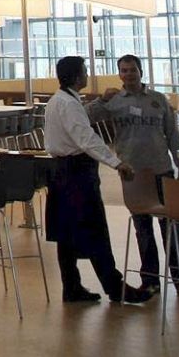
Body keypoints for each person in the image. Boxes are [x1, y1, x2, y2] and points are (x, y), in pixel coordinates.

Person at [44, 55, 151, 306]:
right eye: (85, 71)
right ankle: (115, 288)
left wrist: (101, 101)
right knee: (95, 230)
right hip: (76, 173)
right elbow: (86, 138)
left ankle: (72, 286)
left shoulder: (61, 100)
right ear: (76, 76)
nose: (87, 75)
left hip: (62, 171)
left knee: (67, 234)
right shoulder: (68, 104)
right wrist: (116, 162)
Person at [90, 54, 179, 303]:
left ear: (141, 71)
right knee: (143, 229)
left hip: (162, 170)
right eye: (124, 70)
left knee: (170, 226)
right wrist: (101, 99)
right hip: (133, 174)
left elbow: (173, 135)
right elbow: (86, 117)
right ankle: (150, 281)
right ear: (119, 74)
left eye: (133, 70)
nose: (129, 74)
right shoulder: (114, 101)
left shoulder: (158, 100)